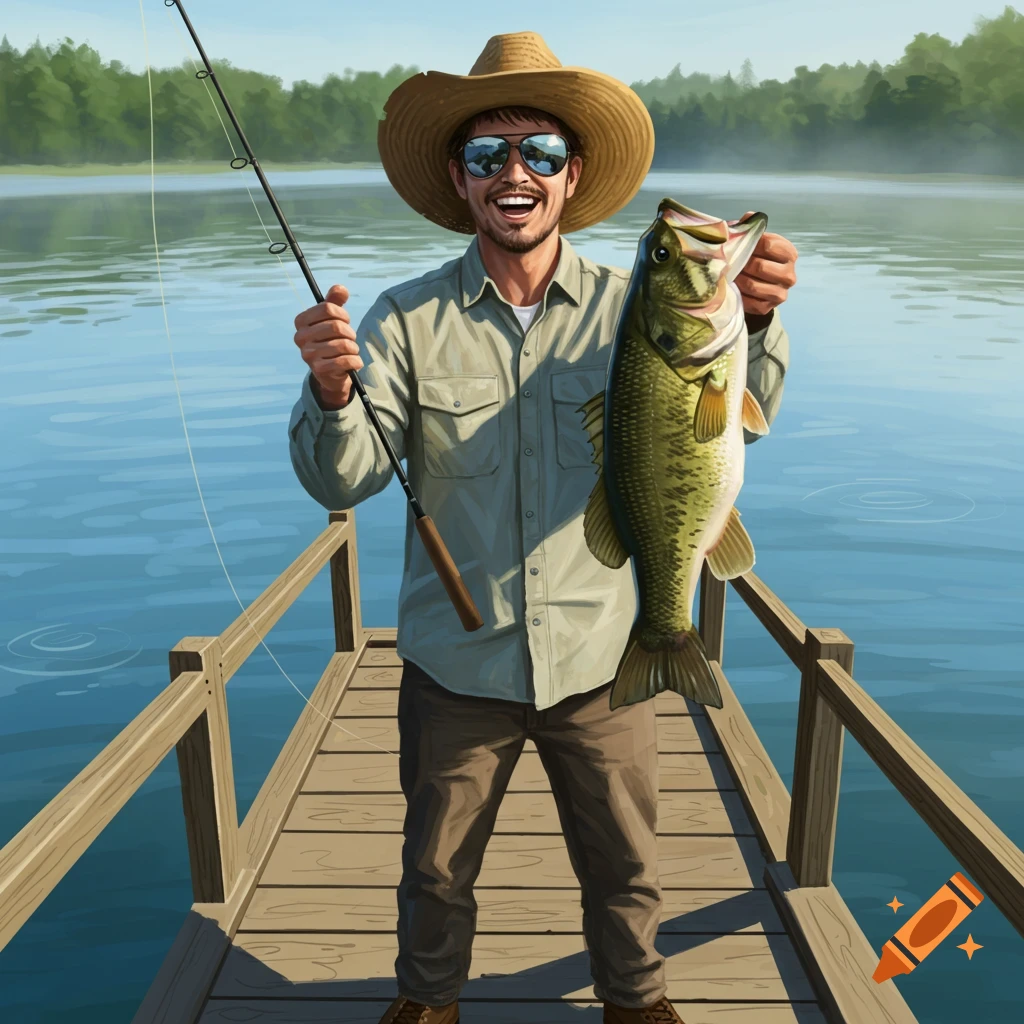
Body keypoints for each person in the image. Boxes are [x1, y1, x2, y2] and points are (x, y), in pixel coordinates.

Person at [288, 31, 797, 1024]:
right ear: (459, 178)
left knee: (626, 866)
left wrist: (760, 322)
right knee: (433, 871)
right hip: (456, 663)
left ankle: (637, 1000)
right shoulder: (398, 320)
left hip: (607, 658)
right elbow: (338, 479)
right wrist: (330, 387)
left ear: (572, 177)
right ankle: (427, 1004)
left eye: (540, 154)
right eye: (488, 155)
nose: (513, 173)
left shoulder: (638, 304)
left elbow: (730, 419)